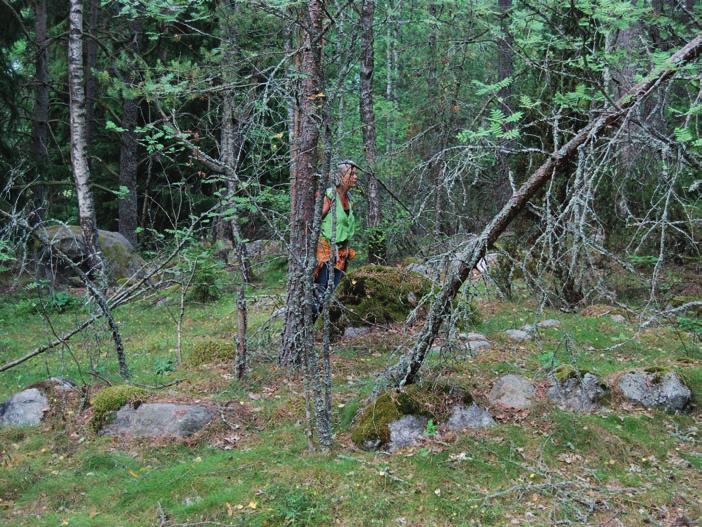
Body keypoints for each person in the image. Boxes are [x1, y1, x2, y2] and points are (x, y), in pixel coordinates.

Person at [313, 160, 359, 317]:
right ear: (340, 176)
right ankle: (313, 329)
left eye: (355, 173)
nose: (355, 177)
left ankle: (327, 328)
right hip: (326, 253)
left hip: (342, 254)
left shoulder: (348, 198)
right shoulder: (329, 195)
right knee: (321, 292)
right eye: (351, 174)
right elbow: (314, 221)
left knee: (334, 293)